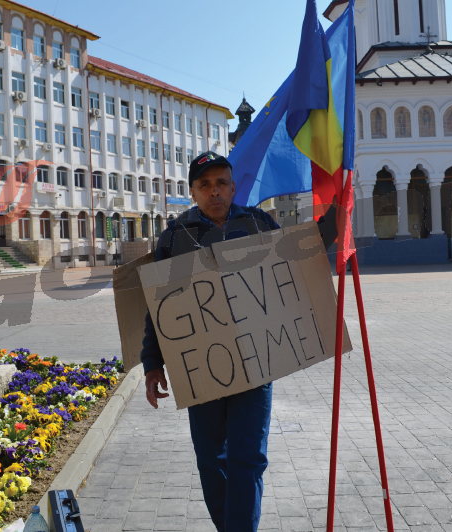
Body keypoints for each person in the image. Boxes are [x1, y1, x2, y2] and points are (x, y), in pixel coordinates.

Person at [140, 151, 337, 532]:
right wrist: (152, 364)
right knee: (211, 460)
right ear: (193, 191)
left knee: (248, 458)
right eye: (205, 185)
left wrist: (334, 219)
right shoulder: (174, 237)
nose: (214, 191)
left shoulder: (258, 224)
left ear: (233, 187)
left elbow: (299, 259)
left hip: (256, 361)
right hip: (201, 368)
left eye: (221, 183)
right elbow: (158, 307)